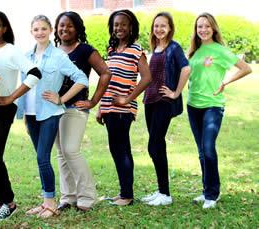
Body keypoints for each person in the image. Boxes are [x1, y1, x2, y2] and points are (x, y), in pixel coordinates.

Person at [0, 15, 88, 218]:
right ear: (31, 32)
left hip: (49, 113)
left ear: (50, 31)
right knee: (41, 159)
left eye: (44, 29)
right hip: (30, 113)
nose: (40, 32)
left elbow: (81, 79)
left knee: (42, 158)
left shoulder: (59, 56)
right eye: (36, 29)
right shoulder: (26, 55)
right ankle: (46, 201)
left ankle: (51, 204)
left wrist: (61, 98)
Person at [0, 11, 41, 220]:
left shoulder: (11, 51)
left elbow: (35, 73)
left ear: (4, 28)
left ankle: (9, 203)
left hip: (1, 110)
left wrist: (11, 97)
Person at [187, 13, 251, 209]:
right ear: (196, 30)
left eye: (207, 26)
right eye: (200, 26)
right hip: (193, 105)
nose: (203, 29)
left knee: (208, 148)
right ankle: (207, 190)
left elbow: (245, 68)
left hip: (213, 105)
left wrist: (225, 81)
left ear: (213, 28)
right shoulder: (194, 52)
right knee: (201, 152)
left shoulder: (220, 51)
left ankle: (212, 195)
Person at [51, 11, 111, 212]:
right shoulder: (53, 50)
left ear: (77, 28)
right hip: (54, 108)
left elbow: (105, 73)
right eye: (61, 25)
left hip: (76, 107)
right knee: (61, 153)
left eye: (69, 25)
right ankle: (68, 197)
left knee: (70, 150)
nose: (64, 29)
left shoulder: (85, 50)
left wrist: (93, 100)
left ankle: (87, 196)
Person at [97, 9, 151, 206]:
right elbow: (107, 82)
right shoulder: (111, 51)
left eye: (123, 24)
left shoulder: (136, 50)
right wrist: (101, 107)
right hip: (109, 108)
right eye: (116, 24)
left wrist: (128, 99)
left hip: (123, 110)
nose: (119, 28)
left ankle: (127, 195)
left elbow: (147, 78)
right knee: (116, 149)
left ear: (131, 28)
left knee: (121, 150)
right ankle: (123, 192)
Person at [140, 12, 190, 206]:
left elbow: (185, 69)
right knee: (157, 146)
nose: (159, 29)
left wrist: (176, 93)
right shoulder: (156, 47)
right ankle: (162, 191)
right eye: (156, 26)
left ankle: (166, 194)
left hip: (163, 101)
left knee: (154, 144)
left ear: (170, 28)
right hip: (150, 101)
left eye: (163, 26)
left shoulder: (174, 47)